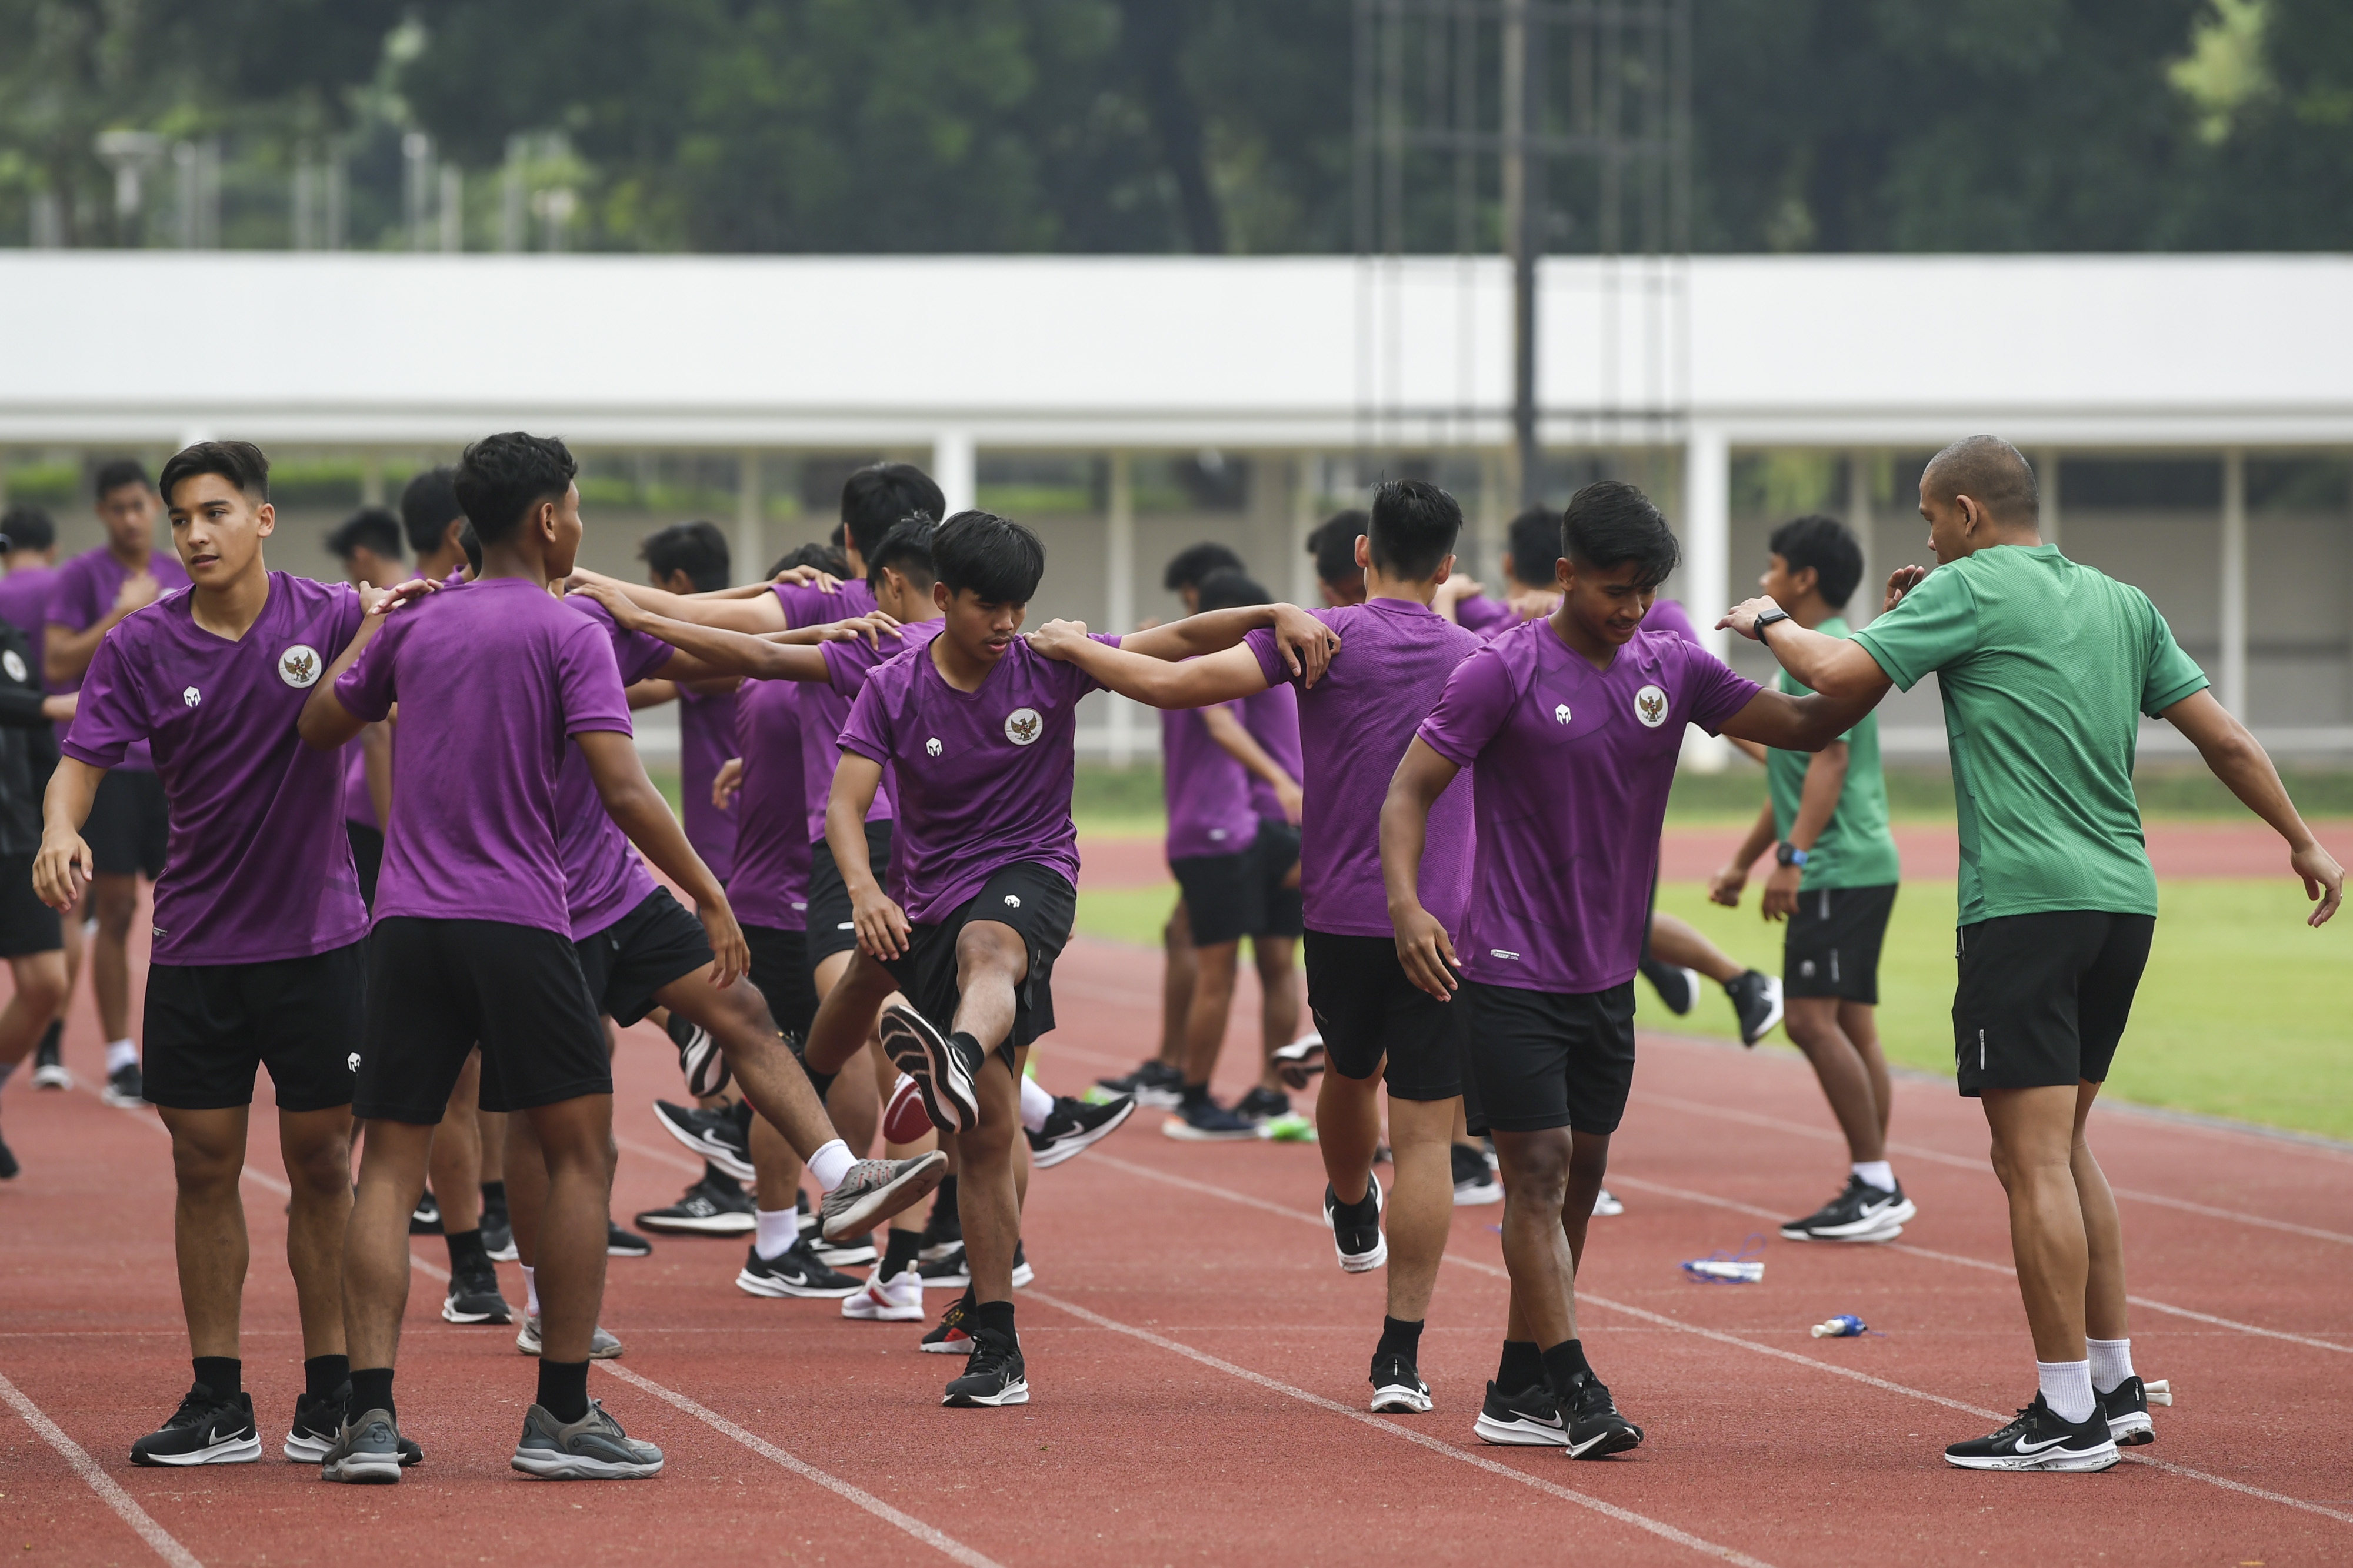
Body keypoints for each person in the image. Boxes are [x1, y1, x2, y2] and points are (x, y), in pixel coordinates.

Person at [1719, 435, 2344, 1473]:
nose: (1923, 541)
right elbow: (2224, 738)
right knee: (2066, 1146)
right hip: (2122, 905)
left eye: (1930, 520)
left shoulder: (1966, 591)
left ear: (1966, 511)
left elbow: (1832, 672)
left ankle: (2066, 1415)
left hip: (2021, 907)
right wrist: (2304, 837)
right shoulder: (2121, 601)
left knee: (2026, 1158)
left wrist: (1767, 620)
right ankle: (2113, 1381)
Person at [1381, 479, 1870, 1460]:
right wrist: (1406, 907)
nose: (1632, 608)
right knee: (1540, 1170)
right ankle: (1576, 1386)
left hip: (1606, 978)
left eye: (1647, 590)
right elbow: (1409, 792)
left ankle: (1516, 1385)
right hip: (1510, 968)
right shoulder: (1499, 670)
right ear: (1565, 575)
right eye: (1614, 588)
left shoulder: (1674, 669)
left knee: (1579, 1177)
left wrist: (1885, 635)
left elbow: (1816, 726)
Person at [846, 510, 1334, 1407]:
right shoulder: (893, 686)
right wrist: (865, 890)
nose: (1005, 624)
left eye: (1017, 607)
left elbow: (1181, 639)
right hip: (928, 900)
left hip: (1034, 876)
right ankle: (998, 1346)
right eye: (987, 606)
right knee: (986, 1134)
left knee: (991, 948)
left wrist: (1275, 610)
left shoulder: (1049, 662)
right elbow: (848, 807)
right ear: (942, 598)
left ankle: (952, 1054)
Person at [293, 431, 709, 1482]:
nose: (578, 523)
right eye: (573, 508)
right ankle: (562, 1414)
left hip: (408, 924)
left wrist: (371, 632)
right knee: (577, 1152)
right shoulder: (569, 630)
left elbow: (318, 724)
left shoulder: (419, 619)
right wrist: (704, 890)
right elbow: (621, 788)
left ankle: (370, 1422)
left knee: (386, 1164)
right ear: (548, 521)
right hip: (523, 921)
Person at [1031, 478, 1484, 1416]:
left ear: (1363, 552)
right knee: (1431, 1133)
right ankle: (1400, 1357)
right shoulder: (1485, 657)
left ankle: (1350, 1199)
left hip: (1342, 915)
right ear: (1447, 566)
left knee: (1351, 1076)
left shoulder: (1315, 639)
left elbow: (1168, 682)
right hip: (1442, 920)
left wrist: (1075, 645)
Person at [35, 441, 409, 1469]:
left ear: (263, 518)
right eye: (181, 518)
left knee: (323, 1164)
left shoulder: (331, 614)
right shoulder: (140, 645)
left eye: (214, 513)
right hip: (198, 946)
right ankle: (219, 1398)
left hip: (320, 941)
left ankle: (331, 1393)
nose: (193, 534)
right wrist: (60, 829)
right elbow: (81, 767)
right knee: (202, 1165)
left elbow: (430, 625)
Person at [1707, 515, 1912, 1243]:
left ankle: (1875, 1181)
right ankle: (1875, 1176)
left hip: (1835, 865)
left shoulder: (1809, 655)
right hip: (1862, 863)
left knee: (1807, 1019)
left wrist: (1790, 861)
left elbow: (1826, 762)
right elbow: (1792, 769)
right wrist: (1743, 860)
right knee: (1852, 1024)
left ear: (1800, 581)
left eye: (1772, 567)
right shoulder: (1837, 650)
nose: (1764, 579)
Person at [44, 459, 191, 1109]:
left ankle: (183, 1044)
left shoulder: (180, 569)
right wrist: (121, 614)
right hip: (112, 766)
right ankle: (118, 1054)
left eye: (140, 505)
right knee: (118, 907)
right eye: (119, 507)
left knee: (184, 903)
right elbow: (56, 661)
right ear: (103, 513)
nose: (132, 518)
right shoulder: (82, 576)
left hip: (174, 765)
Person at [0, 504, 79, 1092]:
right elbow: (36, 710)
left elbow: (34, 750)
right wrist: (48, 705)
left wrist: (64, 821)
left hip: (15, 829)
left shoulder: (13, 643)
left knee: (46, 982)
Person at [634, 521, 740, 882]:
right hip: (736, 840)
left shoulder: (708, 653)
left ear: (678, 583)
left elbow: (634, 692)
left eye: (656, 585)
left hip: (730, 838)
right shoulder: (747, 638)